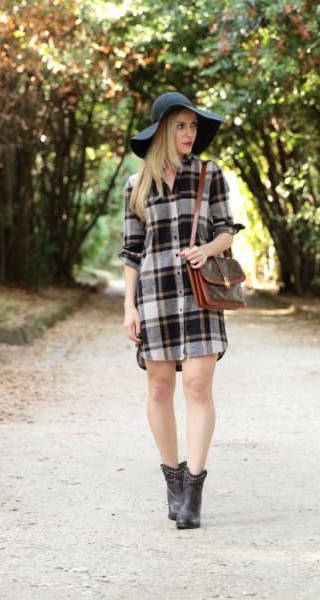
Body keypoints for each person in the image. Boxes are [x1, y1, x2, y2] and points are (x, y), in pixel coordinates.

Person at [119, 91, 241, 529]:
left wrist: (204, 248)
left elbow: (227, 232)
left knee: (196, 387)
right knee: (158, 390)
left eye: (193, 126)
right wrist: (128, 307)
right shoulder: (137, 186)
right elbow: (132, 251)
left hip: (198, 294)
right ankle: (171, 479)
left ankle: (193, 489)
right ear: (162, 132)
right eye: (181, 126)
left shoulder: (210, 175)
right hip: (153, 296)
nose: (190, 134)